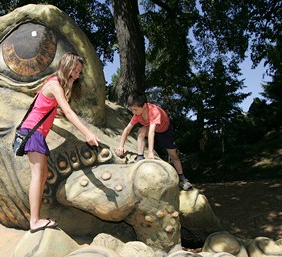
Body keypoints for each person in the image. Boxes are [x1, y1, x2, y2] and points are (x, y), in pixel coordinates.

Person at [20, 52, 100, 232]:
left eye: (80, 71)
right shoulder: (54, 84)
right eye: (76, 70)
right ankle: (34, 221)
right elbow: (69, 112)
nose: (79, 74)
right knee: (37, 176)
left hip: (37, 133)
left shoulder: (57, 84)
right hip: (33, 132)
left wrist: (70, 83)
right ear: (68, 67)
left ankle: (36, 217)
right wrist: (87, 133)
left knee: (42, 175)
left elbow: (47, 106)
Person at [115, 90, 192, 191]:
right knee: (141, 131)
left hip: (165, 131)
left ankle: (182, 179)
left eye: (135, 110)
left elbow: (152, 132)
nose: (133, 112)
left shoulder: (154, 111)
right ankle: (140, 156)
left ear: (144, 106)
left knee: (173, 156)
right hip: (152, 128)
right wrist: (121, 146)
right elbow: (127, 129)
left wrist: (151, 153)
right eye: (132, 110)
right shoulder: (137, 114)